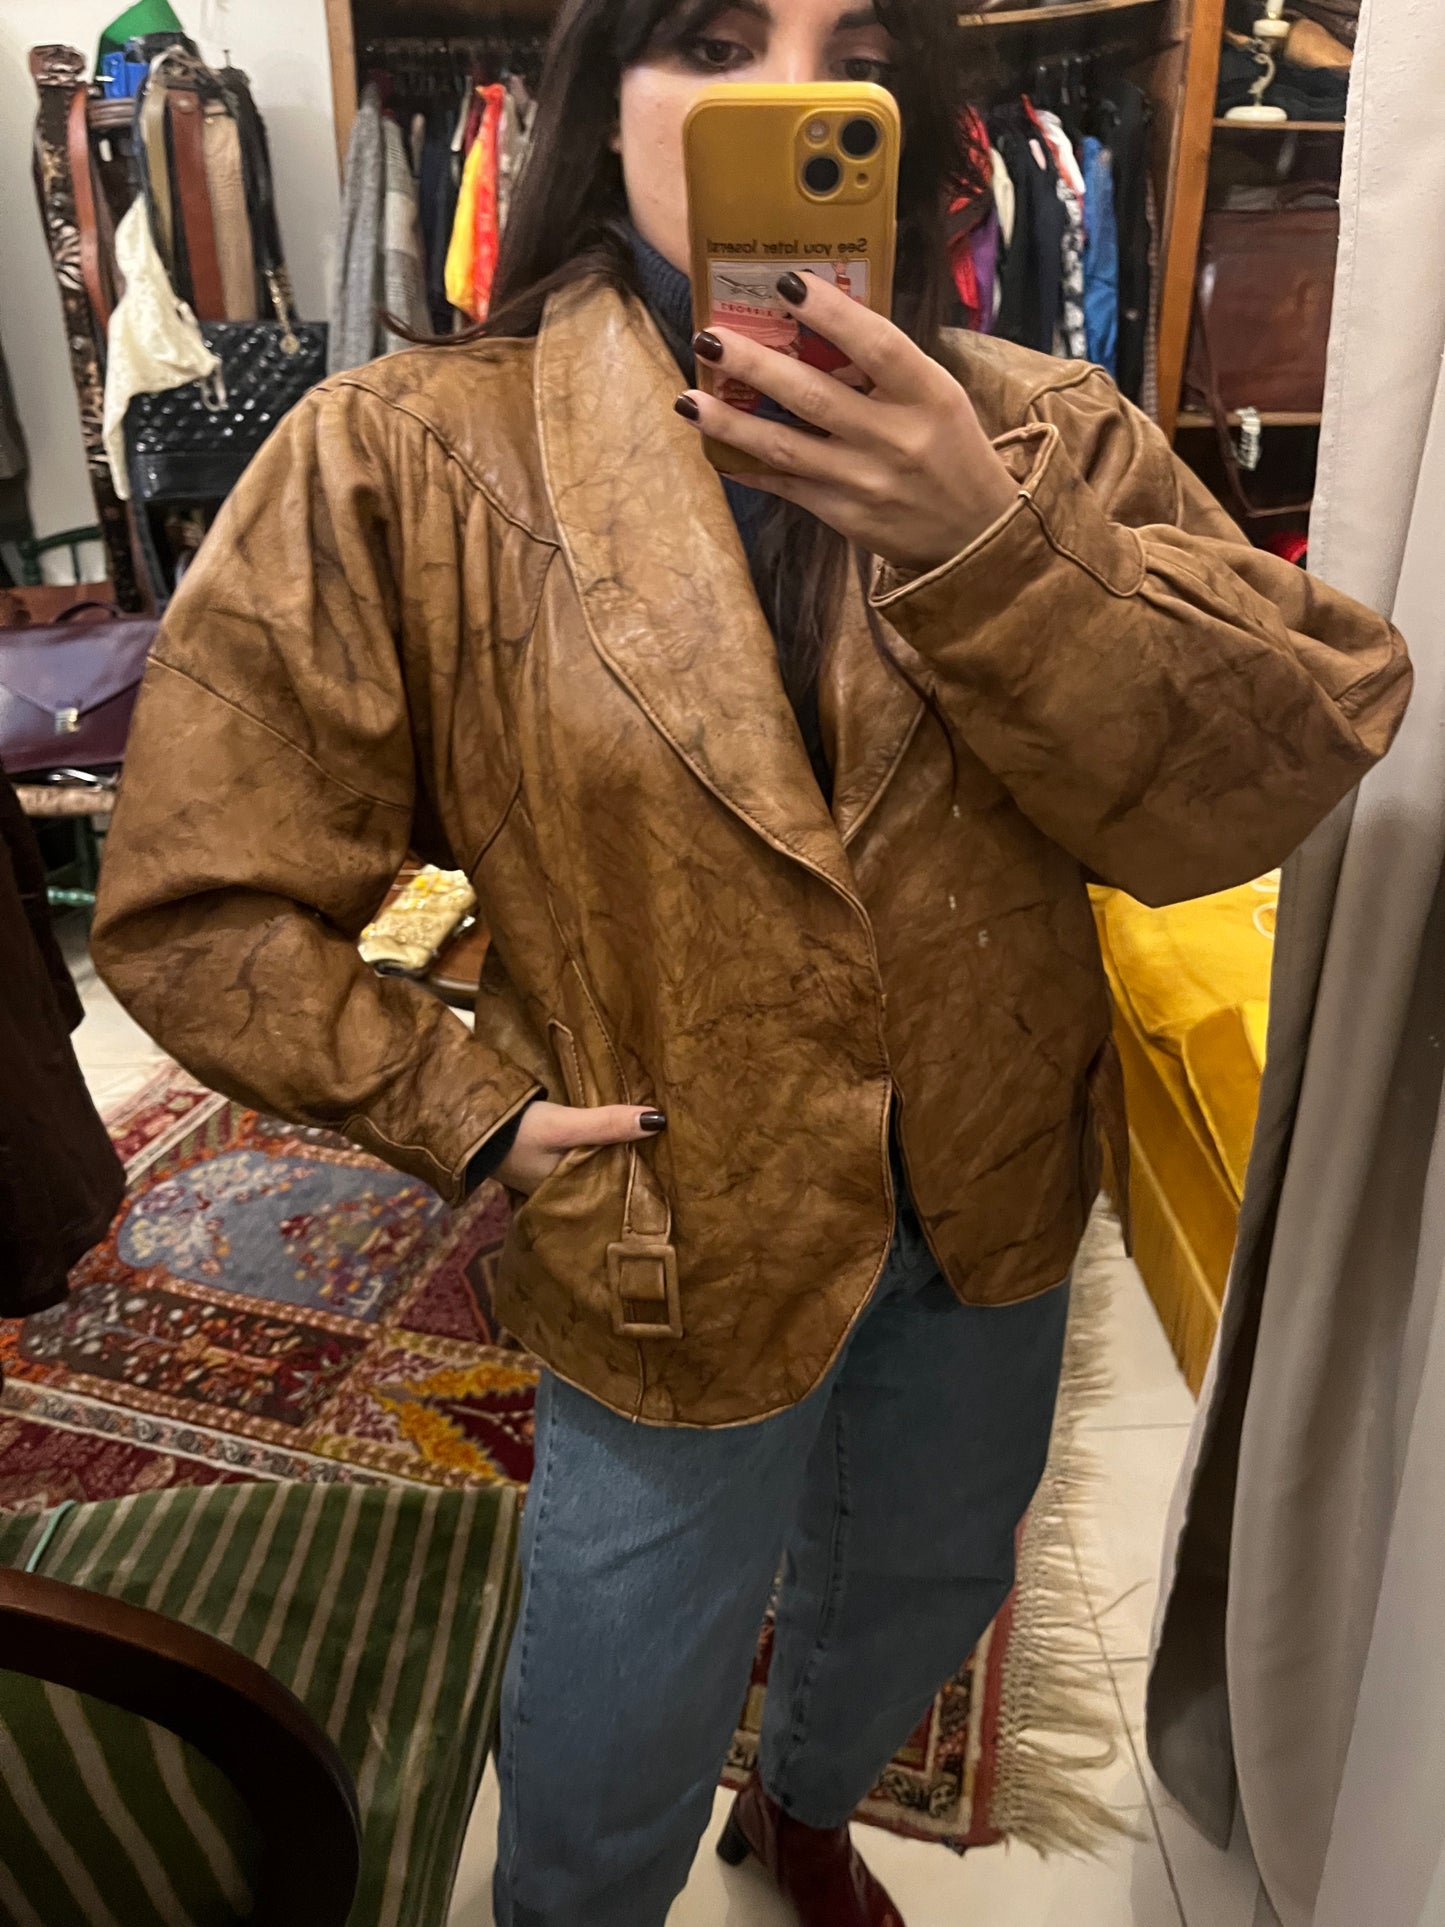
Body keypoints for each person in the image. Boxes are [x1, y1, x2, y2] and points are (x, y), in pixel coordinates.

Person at [92, 1, 1410, 1922]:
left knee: (927, 1581)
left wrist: (984, 541)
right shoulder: (408, 458)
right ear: (594, 99)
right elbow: (195, 900)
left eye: (848, 42)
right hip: (666, 1218)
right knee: (620, 1685)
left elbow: (1262, 779)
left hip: (983, 1188)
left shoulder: (1040, 432)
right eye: (713, 38)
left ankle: (804, 1808)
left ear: (910, 113)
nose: (792, 93)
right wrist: (464, 1108)